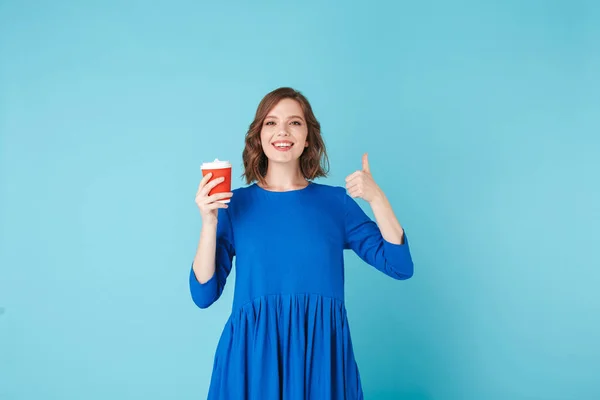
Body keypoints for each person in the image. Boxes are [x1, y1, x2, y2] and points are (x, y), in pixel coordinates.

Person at [190, 87, 414, 399]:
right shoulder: (234, 205)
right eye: (271, 123)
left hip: (319, 360)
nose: (282, 131)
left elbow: (400, 266)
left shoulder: (335, 203)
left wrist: (377, 198)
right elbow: (203, 294)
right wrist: (209, 221)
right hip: (251, 363)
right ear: (258, 136)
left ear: (307, 137)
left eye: (294, 122)